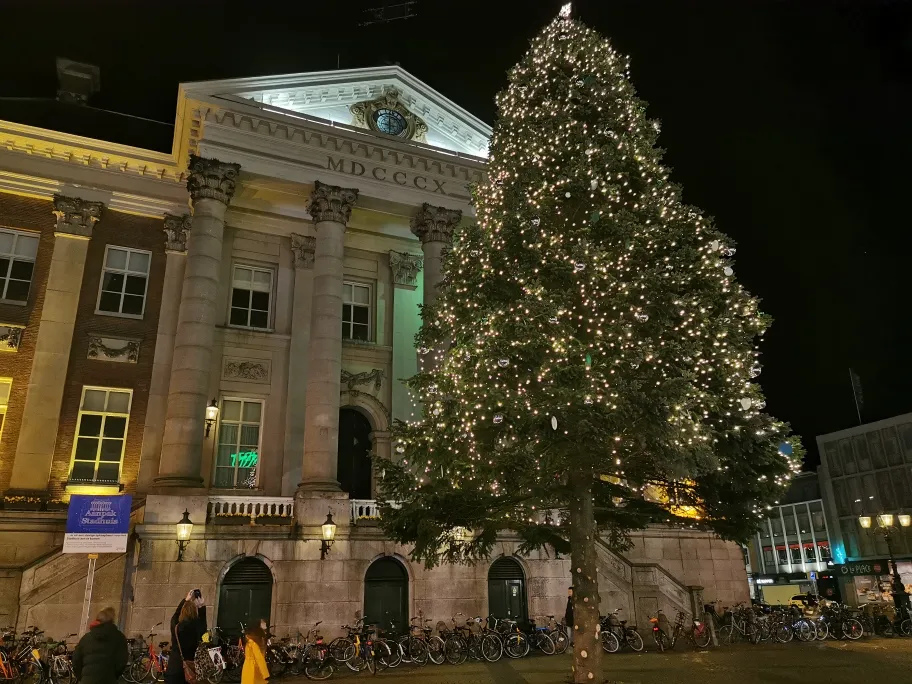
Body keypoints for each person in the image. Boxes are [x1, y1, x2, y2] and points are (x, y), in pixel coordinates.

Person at [72, 607, 128, 684]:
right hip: (109, 680)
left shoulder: (86, 638)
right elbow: (122, 661)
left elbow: (76, 660)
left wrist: (81, 677)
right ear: (112, 620)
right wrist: (114, 675)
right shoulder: (119, 637)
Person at [165, 591, 208, 684]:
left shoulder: (176, 627)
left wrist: (185, 600)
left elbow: (175, 616)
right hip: (191, 670)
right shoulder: (197, 627)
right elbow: (203, 625)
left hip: (174, 668)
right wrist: (201, 607)